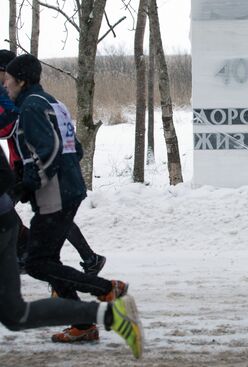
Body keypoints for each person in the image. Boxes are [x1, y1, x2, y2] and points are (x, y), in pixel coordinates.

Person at [3, 54, 128, 343]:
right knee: (47, 260)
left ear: (21, 80)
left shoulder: (32, 106)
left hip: (55, 192)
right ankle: (84, 324)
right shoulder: (52, 103)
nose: (6, 86)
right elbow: (77, 149)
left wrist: (30, 181)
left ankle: (106, 288)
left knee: (36, 262)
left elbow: (50, 148)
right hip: (68, 188)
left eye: (8, 81)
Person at [0, 145, 143, 358]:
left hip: (20, 214)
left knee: (40, 266)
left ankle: (102, 295)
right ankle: (109, 315)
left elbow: (6, 176)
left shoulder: (31, 114)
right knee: (16, 312)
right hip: (17, 215)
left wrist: (31, 183)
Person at [0, 49, 105, 275]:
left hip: (31, 168)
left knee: (36, 222)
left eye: (5, 76)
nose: (5, 82)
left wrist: (34, 177)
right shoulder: (43, 99)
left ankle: (28, 255)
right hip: (42, 171)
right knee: (52, 224)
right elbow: (74, 147)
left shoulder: (24, 102)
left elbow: (12, 128)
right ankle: (84, 261)